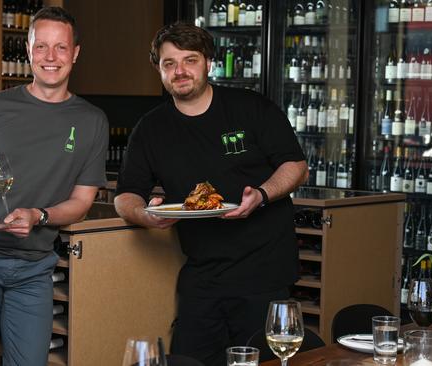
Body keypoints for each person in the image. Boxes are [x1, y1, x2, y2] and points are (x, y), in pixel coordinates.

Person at [114, 22, 308, 366]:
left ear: (208, 63)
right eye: (169, 63)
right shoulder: (151, 129)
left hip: (263, 274)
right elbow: (126, 194)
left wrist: (261, 195)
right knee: (187, 360)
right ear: (158, 69)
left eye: (190, 60)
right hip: (201, 277)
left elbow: (295, 166)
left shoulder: (251, 108)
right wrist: (144, 214)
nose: (180, 71)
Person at [0, 7, 108, 365]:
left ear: (75, 53)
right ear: (28, 50)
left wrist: (39, 215)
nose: (50, 57)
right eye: (41, 46)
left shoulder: (91, 121)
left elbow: (81, 201)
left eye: (60, 47)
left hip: (34, 267)